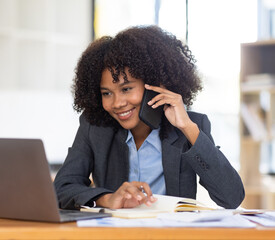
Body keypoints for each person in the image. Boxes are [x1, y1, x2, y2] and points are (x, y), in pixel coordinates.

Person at [53, 25, 245, 210]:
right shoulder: (95, 127)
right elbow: (62, 188)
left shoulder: (191, 127)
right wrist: (108, 199)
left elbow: (232, 197)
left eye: (126, 89)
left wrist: (187, 127)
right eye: (106, 93)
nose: (117, 103)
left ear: (155, 85)